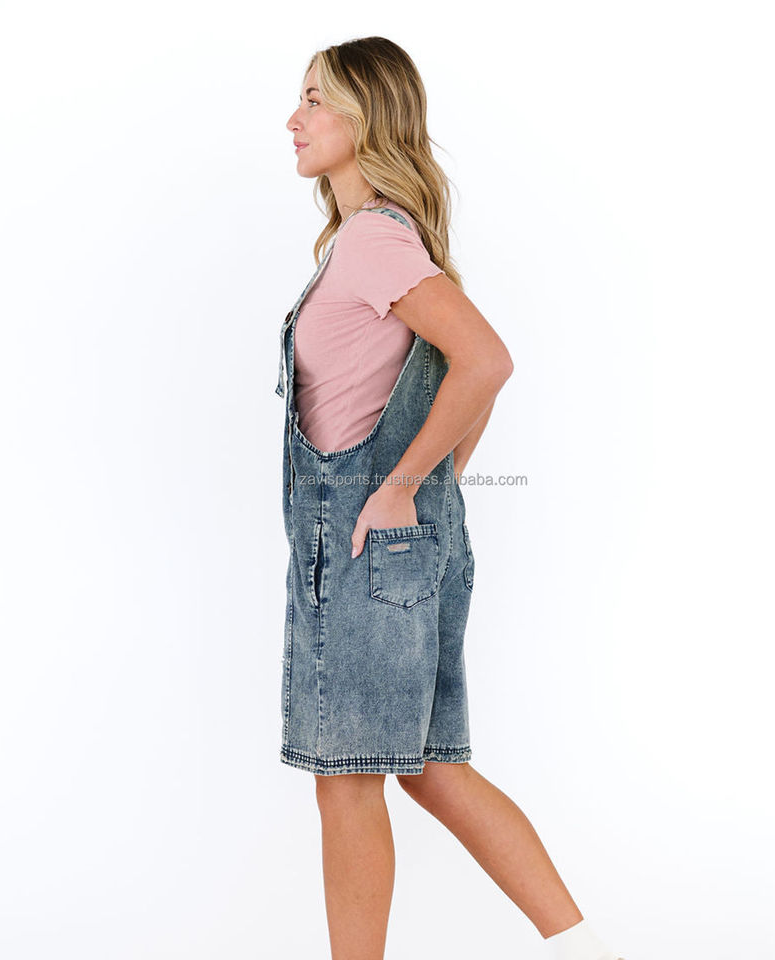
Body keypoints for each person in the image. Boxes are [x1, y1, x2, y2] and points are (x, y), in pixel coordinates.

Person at [278, 36, 626, 960]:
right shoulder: (383, 238)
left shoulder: (371, 241)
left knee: (348, 778)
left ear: (366, 116)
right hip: (397, 543)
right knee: (431, 768)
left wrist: (402, 489)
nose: (294, 120)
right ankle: (586, 945)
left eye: (314, 99)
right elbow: (466, 374)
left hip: (362, 547)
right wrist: (431, 494)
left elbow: (486, 361)